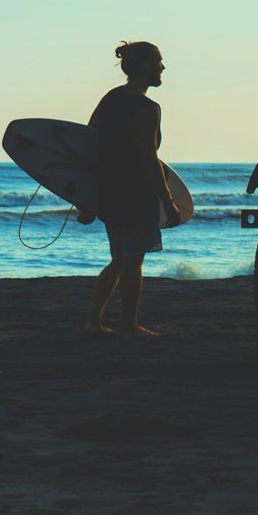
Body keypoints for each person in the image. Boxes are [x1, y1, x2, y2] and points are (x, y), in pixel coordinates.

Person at [86, 40, 176, 337]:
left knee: (119, 259)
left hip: (110, 191)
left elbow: (88, 143)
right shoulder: (148, 108)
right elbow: (148, 160)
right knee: (133, 261)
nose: (162, 67)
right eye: (158, 62)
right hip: (137, 193)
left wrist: (88, 194)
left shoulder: (111, 98)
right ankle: (129, 324)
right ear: (146, 66)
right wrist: (168, 200)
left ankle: (93, 321)